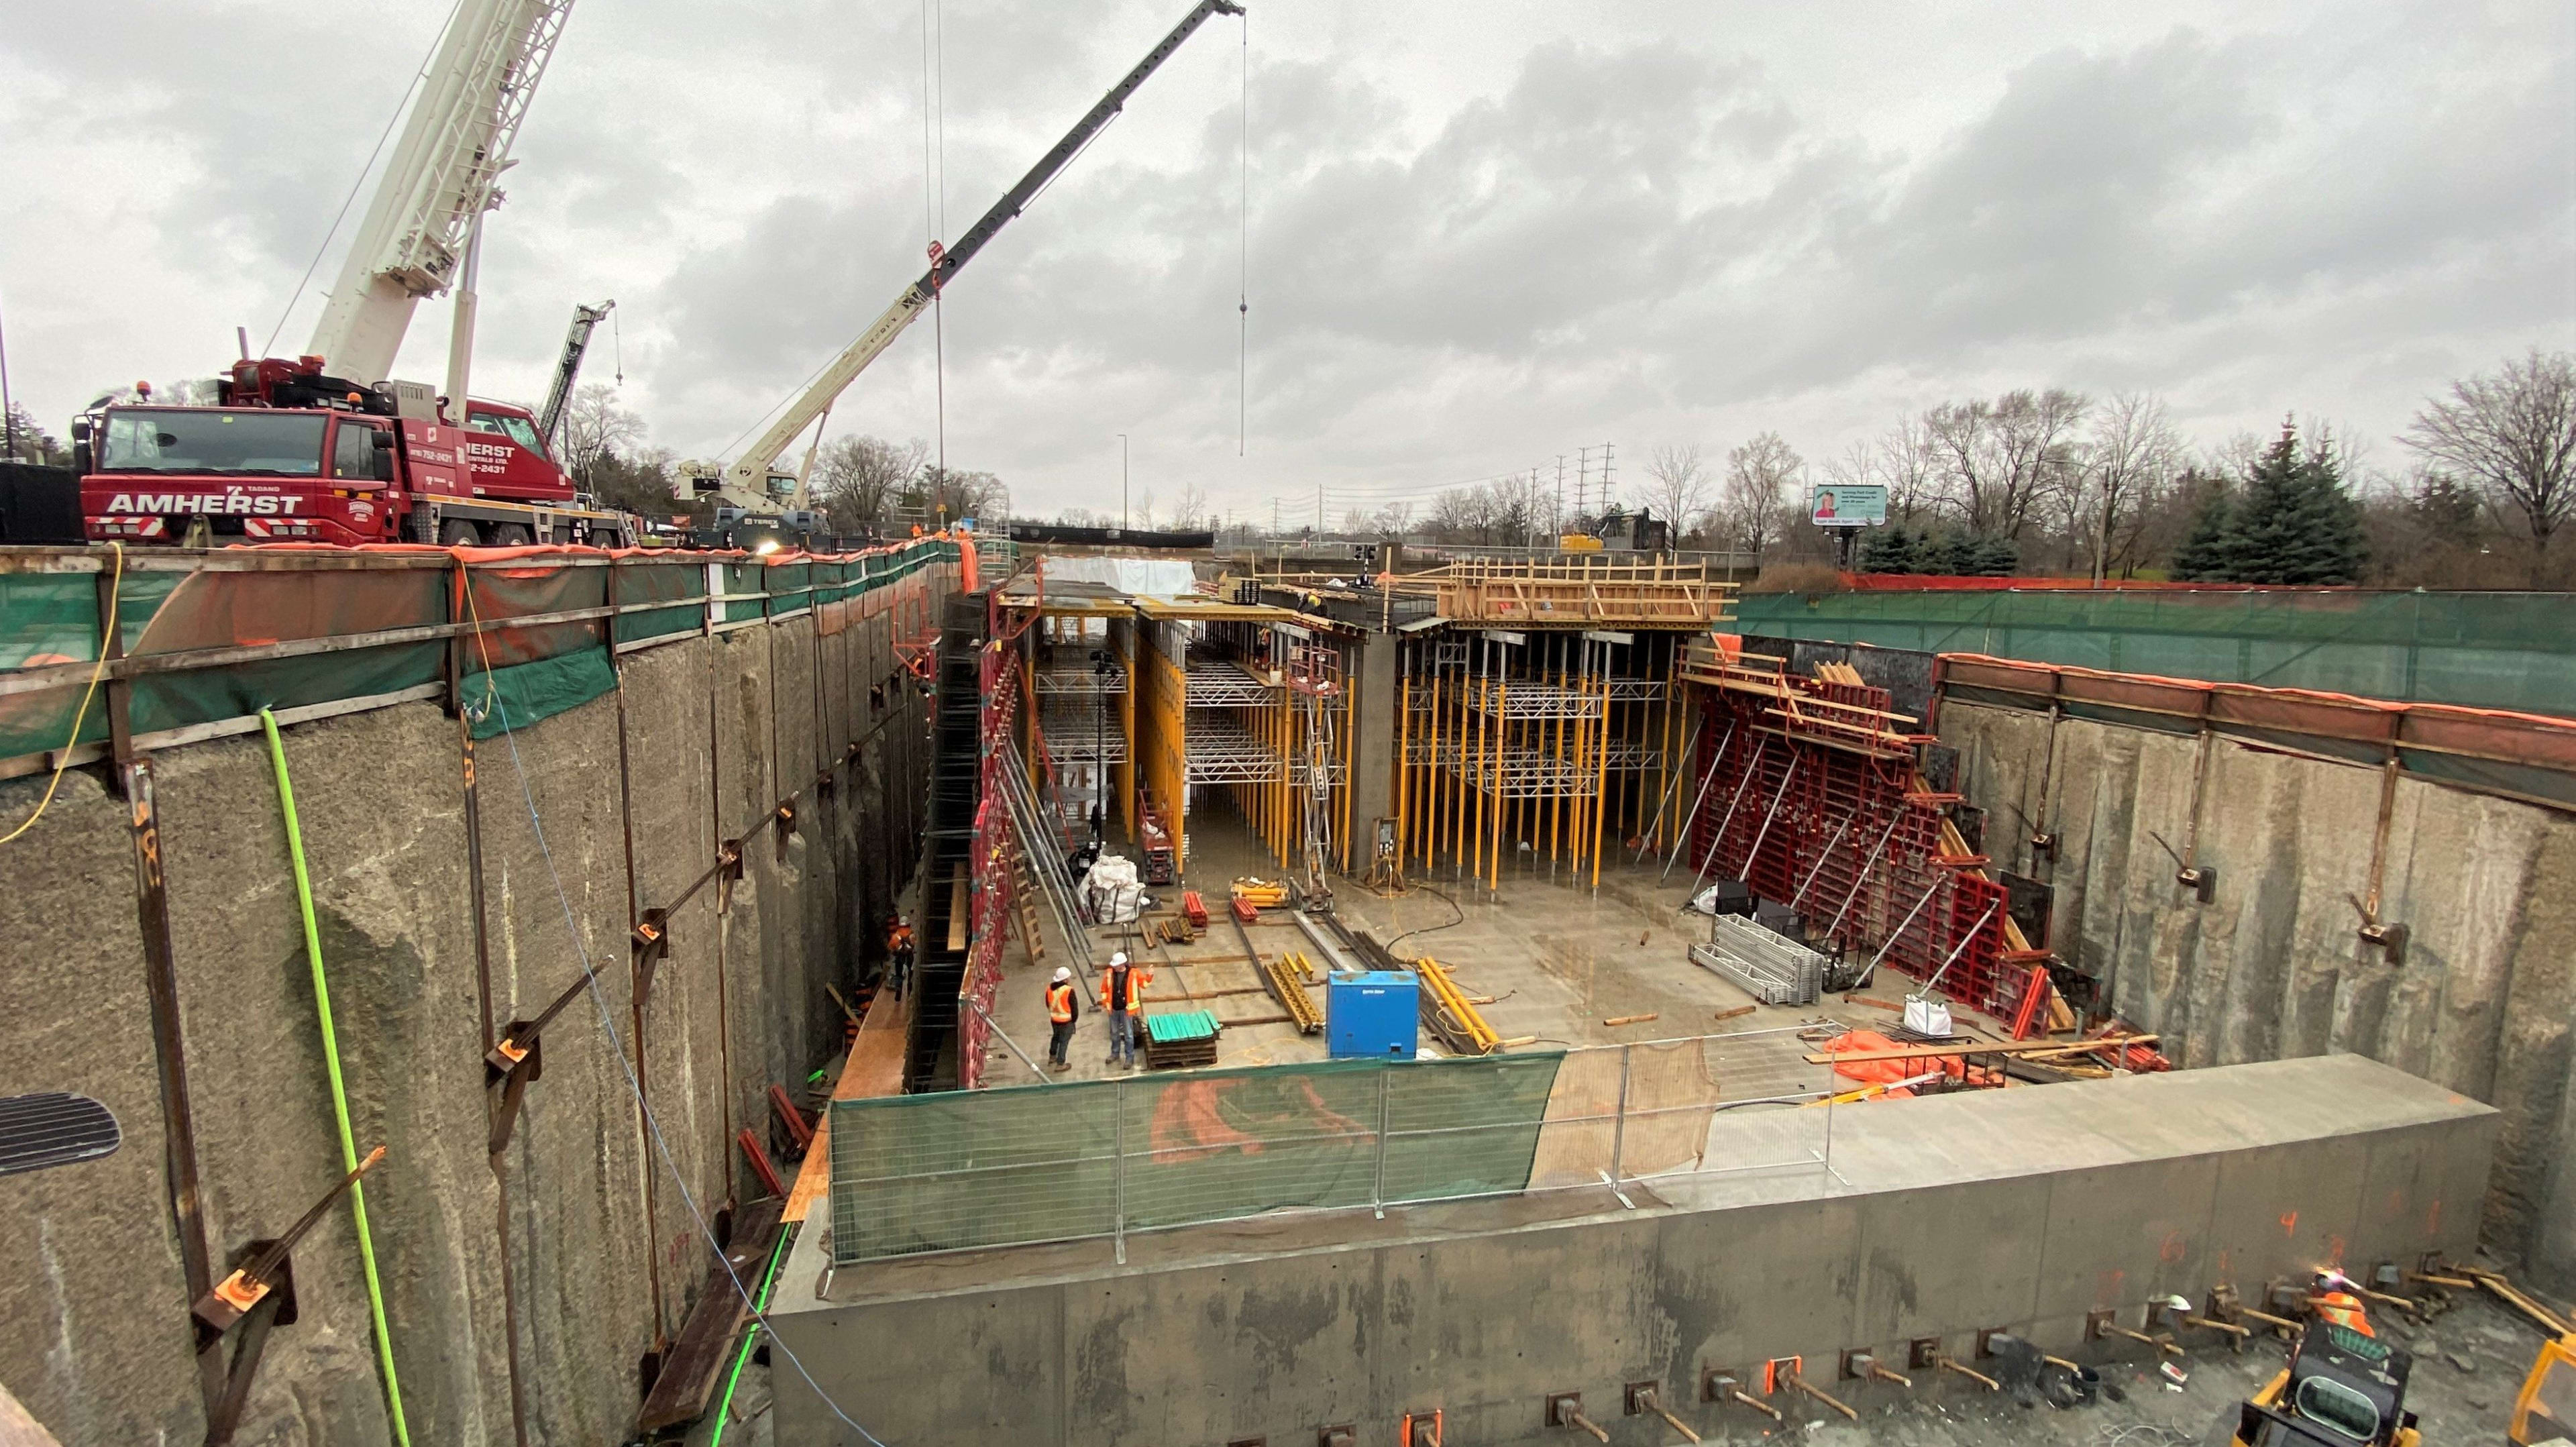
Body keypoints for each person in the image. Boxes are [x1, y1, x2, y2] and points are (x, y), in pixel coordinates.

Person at [1099, 951, 1152, 1068]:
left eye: (1116, 965)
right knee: (1114, 1033)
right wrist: (1106, 1003)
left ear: (1123, 964)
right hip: (1113, 1009)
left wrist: (1149, 976)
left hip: (1127, 1010)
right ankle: (1115, 1053)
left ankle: (1129, 1058)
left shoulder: (1134, 973)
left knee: (1128, 1034)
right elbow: (1103, 989)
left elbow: (1144, 984)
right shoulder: (1109, 973)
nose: (1114, 967)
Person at [1044, 967, 1079, 1072]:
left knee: (1056, 1038)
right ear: (1065, 980)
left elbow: (1047, 1003)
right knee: (1064, 1042)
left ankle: (1052, 1056)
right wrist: (1074, 1021)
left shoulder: (1049, 989)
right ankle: (1061, 1063)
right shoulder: (1069, 991)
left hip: (1054, 1020)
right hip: (1066, 1021)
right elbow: (1074, 1008)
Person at [886, 915, 915, 1000]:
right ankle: (910, 990)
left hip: (899, 956)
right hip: (909, 956)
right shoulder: (912, 935)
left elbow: (890, 948)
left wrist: (895, 952)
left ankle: (899, 991)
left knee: (898, 975)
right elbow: (914, 945)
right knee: (910, 973)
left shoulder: (896, 936)